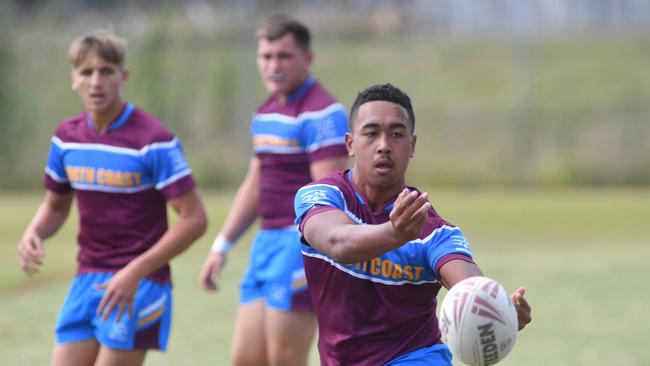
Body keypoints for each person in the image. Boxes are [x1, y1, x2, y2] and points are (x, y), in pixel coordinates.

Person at [293, 83, 532, 365]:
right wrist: (393, 234)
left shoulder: (435, 232)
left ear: (412, 145)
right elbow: (338, 242)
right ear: (350, 144)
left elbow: (469, 285)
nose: (383, 145)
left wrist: (499, 309)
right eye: (371, 133)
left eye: (396, 134)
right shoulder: (322, 196)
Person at [16, 31, 208, 366]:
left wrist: (135, 271)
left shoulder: (153, 140)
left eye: (106, 71)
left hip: (141, 281)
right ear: (73, 79)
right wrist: (35, 232)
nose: (96, 81)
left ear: (123, 76)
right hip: (87, 279)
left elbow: (194, 219)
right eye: (86, 72)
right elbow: (55, 206)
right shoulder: (66, 140)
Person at [198, 14, 349, 366]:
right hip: (265, 244)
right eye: (266, 57)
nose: (273, 65)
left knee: (284, 358)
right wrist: (222, 245)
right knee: (247, 359)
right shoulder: (266, 111)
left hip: (298, 244)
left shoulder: (321, 112)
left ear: (307, 59)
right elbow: (255, 183)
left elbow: (326, 195)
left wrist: (318, 254)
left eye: (283, 56)